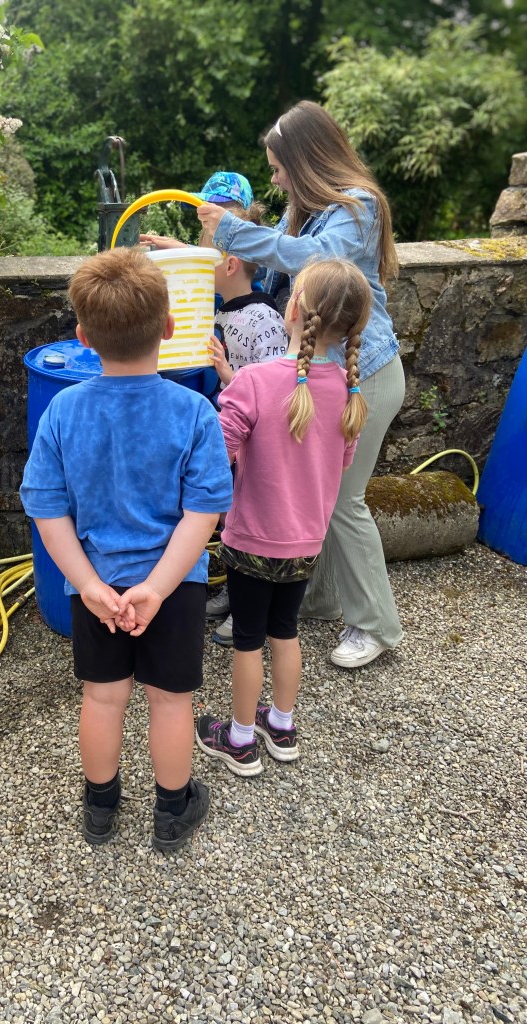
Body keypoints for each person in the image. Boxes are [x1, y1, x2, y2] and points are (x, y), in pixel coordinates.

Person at [20, 248, 234, 852]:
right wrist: (158, 588)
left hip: (97, 588)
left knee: (102, 697)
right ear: (168, 327)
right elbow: (204, 512)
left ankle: (100, 809)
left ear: (84, 337)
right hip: (174, 587)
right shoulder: (194, 412)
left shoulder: (63, 410)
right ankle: (171, 813)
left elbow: (46, 509)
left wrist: (89, 585)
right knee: (170, 702)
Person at [197, 100, 405, 668]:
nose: (274, 179)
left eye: (277, 167)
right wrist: (194, 253)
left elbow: (313, 260)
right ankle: (321, 598)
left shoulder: (358, 207)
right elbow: (268, 268)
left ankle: (376, 625)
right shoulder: (309, 210)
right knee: (324, 496)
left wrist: (232, 229)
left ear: (304, 158)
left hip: (366, 373)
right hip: (333, 375)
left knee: (343, 502)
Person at [196, 258, 371, 776]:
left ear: (292, 308)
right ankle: (282, 726)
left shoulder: (254, 382)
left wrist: (229, 388)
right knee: (285, 631)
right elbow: (337, 463)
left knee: (248, 640)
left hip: (252, 538)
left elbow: (218, 453)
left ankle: (239, 739)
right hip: (306, 541)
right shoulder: (349, 391)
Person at [204, 202, 289, 644]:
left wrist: (228, 377)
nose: (202, 263)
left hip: (253, 448)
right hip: (230, 439)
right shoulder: (220, 311)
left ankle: (246, 609)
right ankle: (233, 592)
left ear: (231, 263)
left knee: (248, 526)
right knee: (228, 522)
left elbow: (273, 393)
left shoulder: (265, 319)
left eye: (207, 255)